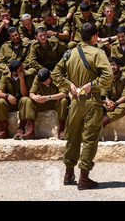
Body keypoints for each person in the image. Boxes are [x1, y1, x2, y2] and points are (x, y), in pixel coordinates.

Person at [51, 22, 113, 190]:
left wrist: (68, 84)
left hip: (76, 100)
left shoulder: (69, 53)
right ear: (94, 36)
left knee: (72, 137)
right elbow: (108, 76)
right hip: (92, 99)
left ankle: (68, 174)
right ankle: (84, 178)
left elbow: (56, 74)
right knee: (90, 138)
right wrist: (93, 84)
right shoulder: (98, 53)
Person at [0, 60, 35, 140]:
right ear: (13, 72)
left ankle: (21, 128)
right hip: (10, 102)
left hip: (21, 102)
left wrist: (21, 79)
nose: (23, 70)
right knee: (0, 101)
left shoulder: (26, 75)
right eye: (20, 70)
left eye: (23, 68)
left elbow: (24, 93)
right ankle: (4, 130)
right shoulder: (6, 75)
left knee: (25, 99)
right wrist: (7, 95)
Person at [27, 68, 69, 140]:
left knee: (64, 101)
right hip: (43, 103)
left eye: (46, 81)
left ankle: (61, 130)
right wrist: (35, 97)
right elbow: (31, 93)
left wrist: (48, 97)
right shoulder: (38, 78)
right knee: (28, 101)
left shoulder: (56, 77)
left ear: (50, 76)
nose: (45, 84)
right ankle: (30, 130)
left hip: (55, 102)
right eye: (43, 82)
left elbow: (64, 94)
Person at [101, 57, 125, 129]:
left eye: (114, 65)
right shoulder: (105, 77)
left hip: (121, 102)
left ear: (119, 67)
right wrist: (109, 103)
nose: (112, 67)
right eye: (110, 65)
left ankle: (104, 120)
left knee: (124, 108)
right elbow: (103, 94)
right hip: (108, 102)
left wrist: (115, 104)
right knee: (99, 106)